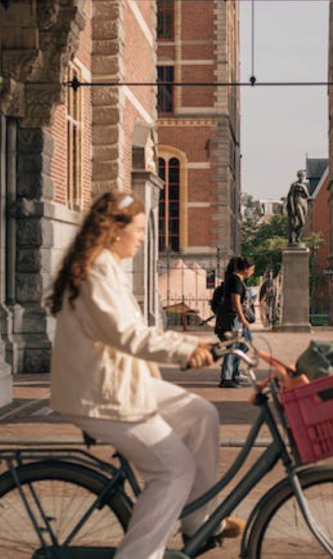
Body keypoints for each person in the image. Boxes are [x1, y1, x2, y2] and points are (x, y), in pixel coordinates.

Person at [48, 192, 242, 559]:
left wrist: (193, 344)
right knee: (173, 470)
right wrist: (186, 350)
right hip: (101, 395)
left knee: (202, 414)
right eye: (138, 230)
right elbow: (127, 335)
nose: (142, 237)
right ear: (114, 230)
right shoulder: (97, 271)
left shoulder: (105, 265)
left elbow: (134, 332)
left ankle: (199, 523)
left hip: (121, 383)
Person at [216, 256, 255, 388]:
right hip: (233, 319)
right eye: (251, 269)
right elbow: (236, 301)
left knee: (243, 346)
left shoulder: (238, 279)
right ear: (245, 268)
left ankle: (233, 373)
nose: (252, 272)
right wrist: (243, 318)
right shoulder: (236, 280)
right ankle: (226, 378)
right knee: (232, 347)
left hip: (236, 319)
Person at [285, 169, 311, 245]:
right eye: (300, 176)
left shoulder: (304, 185)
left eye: (303, 176)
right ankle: (295, 235)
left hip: (304, 204)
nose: (302, 177)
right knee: (302, 223)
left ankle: (296, 237)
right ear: (298, 176)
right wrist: (292, 207)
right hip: (297, 202)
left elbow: (307, 196)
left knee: (303, 223)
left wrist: (302, 187)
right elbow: (290, 196)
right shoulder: (294, 185)